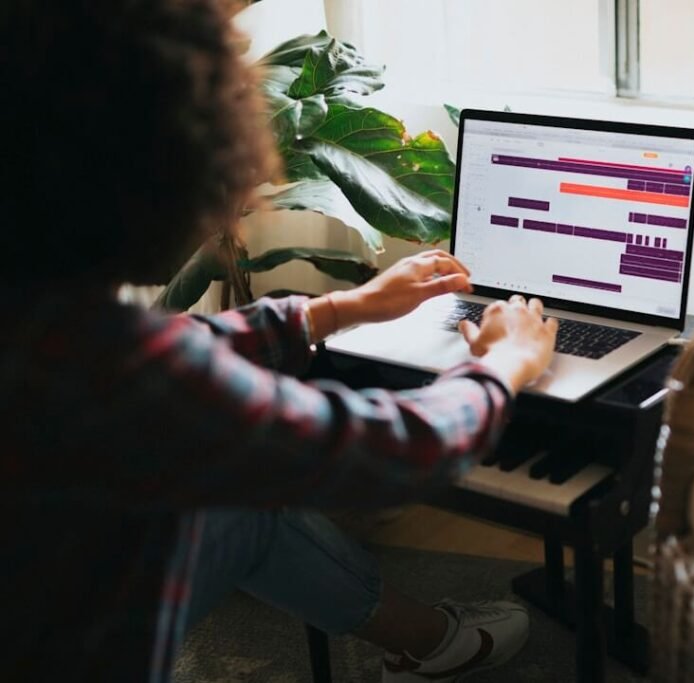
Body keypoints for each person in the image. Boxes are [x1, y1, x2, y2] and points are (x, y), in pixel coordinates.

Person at [0, 0, 557, 681]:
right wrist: (506, 362)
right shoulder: (118, 367)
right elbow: (399, 449)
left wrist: (336, 309)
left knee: (240, 509)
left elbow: (178, 343)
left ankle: (426, 641)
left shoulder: (43, 318)